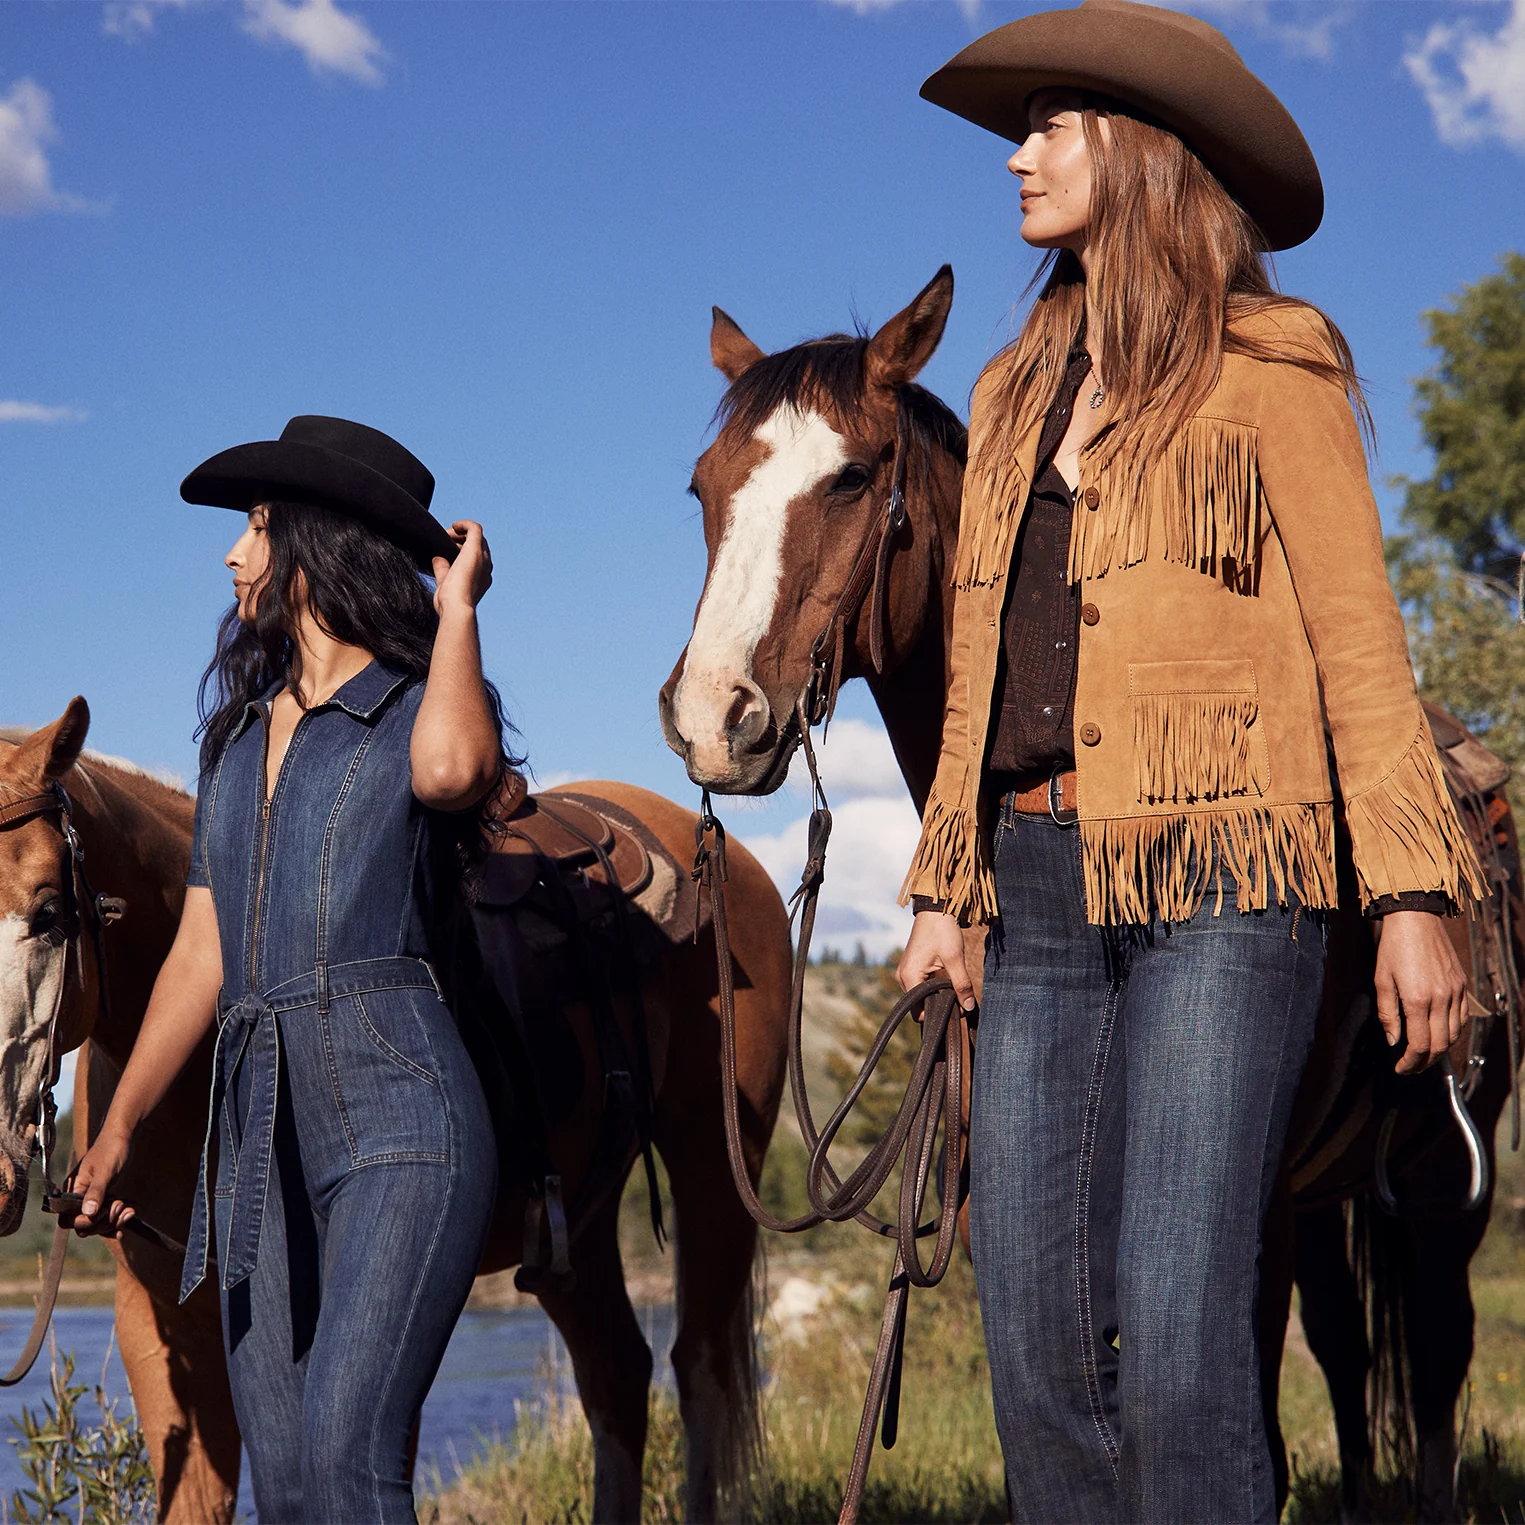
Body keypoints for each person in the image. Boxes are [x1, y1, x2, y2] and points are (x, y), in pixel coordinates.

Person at [895, 3, 1486, 1520]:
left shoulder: (1274, 372)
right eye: (1018, 128)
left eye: (1051, 125)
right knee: (1031, 1349)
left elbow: (1362, 644)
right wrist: (940, 887)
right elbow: (977, 668)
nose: (1017, 155)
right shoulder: (1013, 395)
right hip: (1030, 881)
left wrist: (1418, 892)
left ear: (1146, 151)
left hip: (1232, 879)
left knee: (1175, 1335)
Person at [68, 415, 510, 1524]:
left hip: (401, 1112)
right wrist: (119, 1126)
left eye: (257, 526)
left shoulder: (413, 708)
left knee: (353, 1454)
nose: (233, 555)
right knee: (295, 1483)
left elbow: (457, 772)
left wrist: (456, 611)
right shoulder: (231, 742)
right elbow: (204, 955)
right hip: (254, 1140)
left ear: (320, 539)